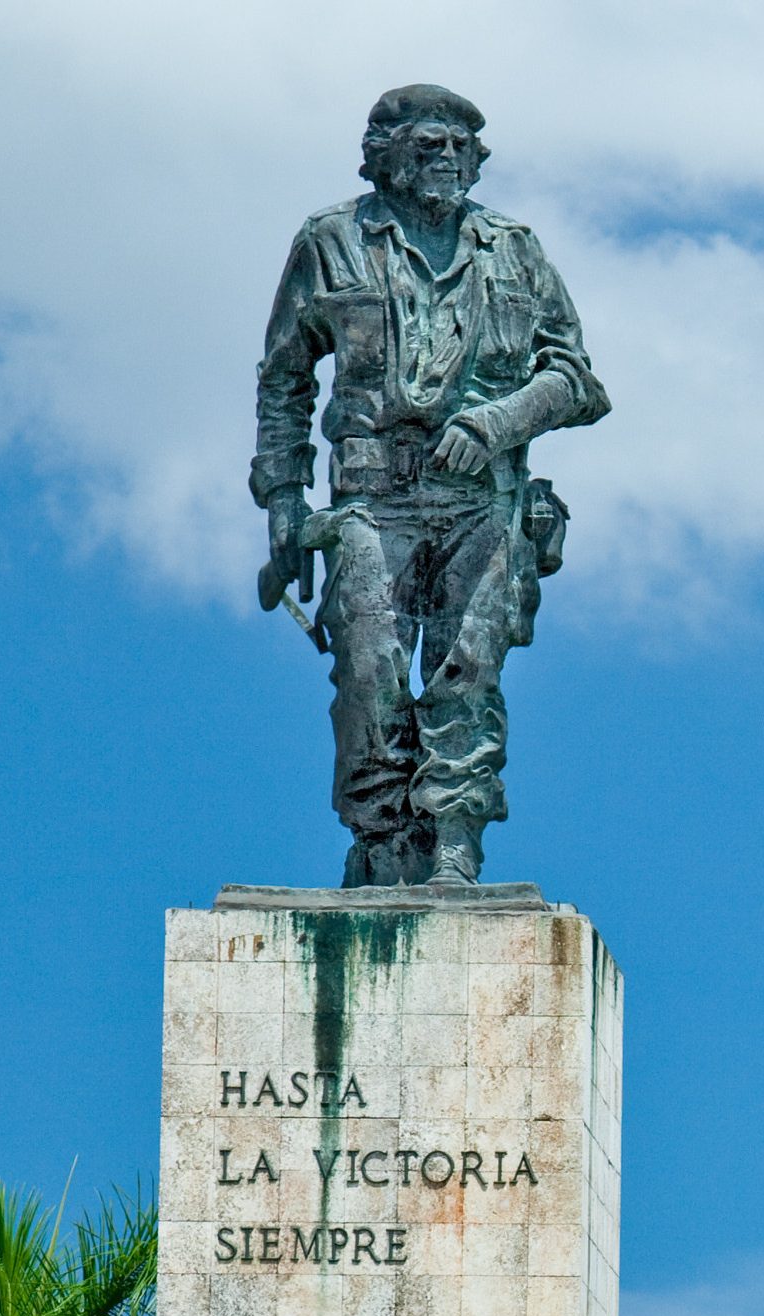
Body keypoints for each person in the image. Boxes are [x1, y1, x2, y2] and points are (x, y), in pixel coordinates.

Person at [253, 84, 611, 887]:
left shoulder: (514, 249)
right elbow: (283, 381)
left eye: (459, 145)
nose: (445, 157)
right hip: (370, 503)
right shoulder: (331, 241)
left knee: (466, 674)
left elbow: (577, 380)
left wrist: (498, 422)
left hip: (481, 502)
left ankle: (455, 843)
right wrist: (283, 501)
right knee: (369, 676)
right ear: (382, 155)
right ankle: (383, 847)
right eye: (426, 143)